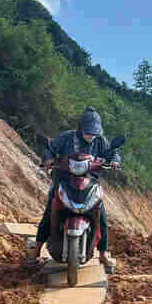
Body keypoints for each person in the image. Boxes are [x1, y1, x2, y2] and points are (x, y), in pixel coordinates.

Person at [34, 107, 122, 270]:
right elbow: (50, 148)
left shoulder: (101, 141)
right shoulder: (67, 137)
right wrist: (48, 158)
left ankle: (103, 254)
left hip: (90, 184)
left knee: (101, 215)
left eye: (94, 133)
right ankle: (36, 252)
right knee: (49, 212)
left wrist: (115, 160)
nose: (91, 136)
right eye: (88, 132)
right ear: (81, 128)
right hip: (64, 181)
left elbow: (113, 153)